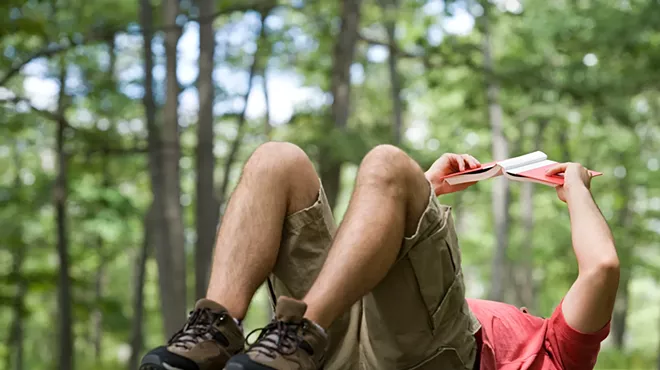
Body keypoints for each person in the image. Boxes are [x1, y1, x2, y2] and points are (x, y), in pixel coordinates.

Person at [139, 142, 619, 370]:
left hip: (431, 363)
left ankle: (302, 331)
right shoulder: (543, 337)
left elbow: (601, 268)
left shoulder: (561, 354)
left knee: (389, 163)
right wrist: (422, 192)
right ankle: (213, 331)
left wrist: (575, 186)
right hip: (340, 345)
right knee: (277, 161)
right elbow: (389, 280)